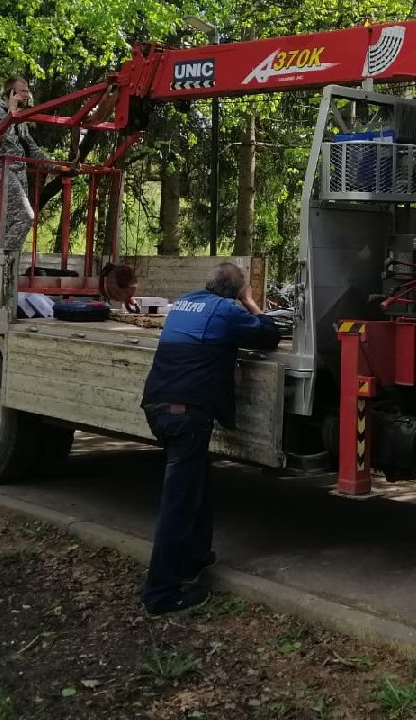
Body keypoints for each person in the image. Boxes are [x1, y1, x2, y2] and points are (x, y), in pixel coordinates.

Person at [139, 262, 280, 614]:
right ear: (235, 292)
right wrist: (251, 304)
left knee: (196, 482)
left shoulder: (184, 302)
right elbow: (269, 334)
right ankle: (161, 594)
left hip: (158, 406)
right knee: (179, 503)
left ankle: (196, 559)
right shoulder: (226, 311)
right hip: (186, 413)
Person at [0, 76, 53, 258]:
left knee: (13, 224)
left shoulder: (20, 120)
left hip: (19, 174)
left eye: (28, 91)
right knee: (25, 217)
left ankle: (7, 269)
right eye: (23, 91)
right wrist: (11, 114)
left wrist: (58, 167)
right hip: (3, 172)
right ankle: (4, 264)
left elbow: (32, 148)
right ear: (10, 93)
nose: (27, 95)